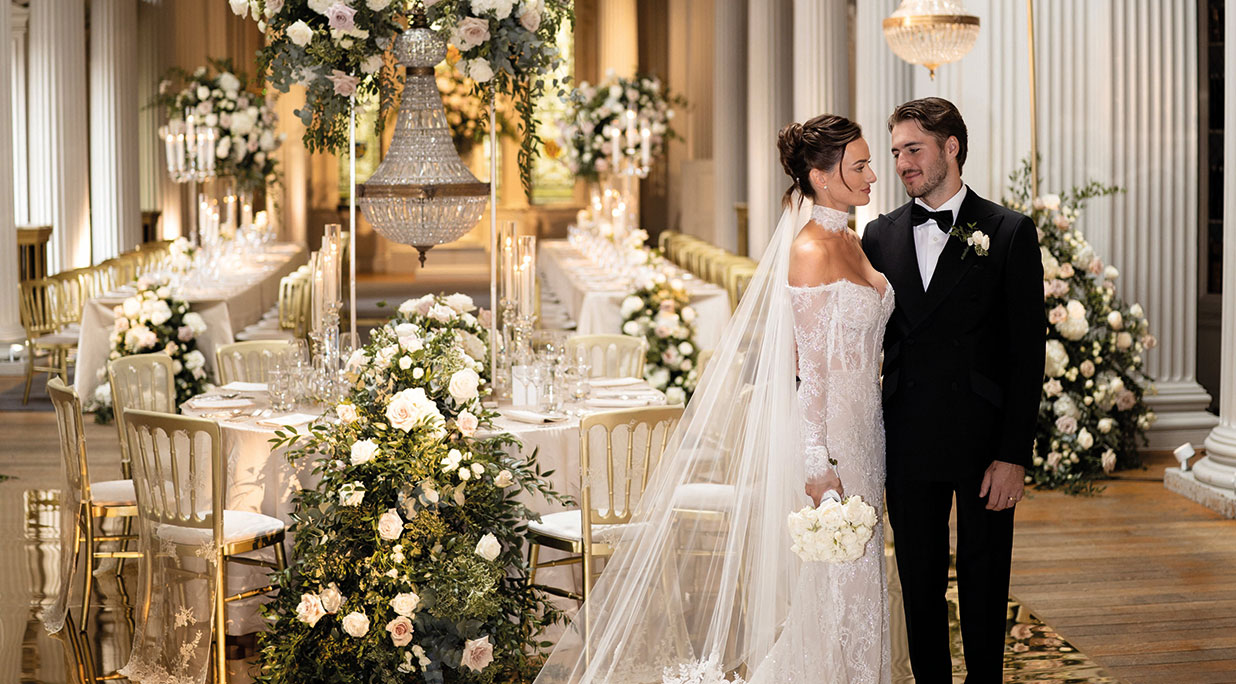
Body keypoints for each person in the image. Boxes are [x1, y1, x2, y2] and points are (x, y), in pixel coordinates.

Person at [533, 114, 891, 684]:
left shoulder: (849, 238)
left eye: (870, 162)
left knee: (858, 579)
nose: (875, 174)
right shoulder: (810, 251)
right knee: (837, 580)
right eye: (860, 165)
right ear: (823, 178)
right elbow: (812, 372)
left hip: (868, 432)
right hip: (835, 444)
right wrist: (817, 460)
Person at [861, 97, 1046, 684]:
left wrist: (1014, 454)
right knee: (918, 585)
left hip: (984, 443)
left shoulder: (1008, 231)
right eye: (894, 153)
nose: (902, 164)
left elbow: (1027, 356)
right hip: (908, 440)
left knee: (986, 581)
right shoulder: (880, 235)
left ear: (951, 148)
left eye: (913, 150)